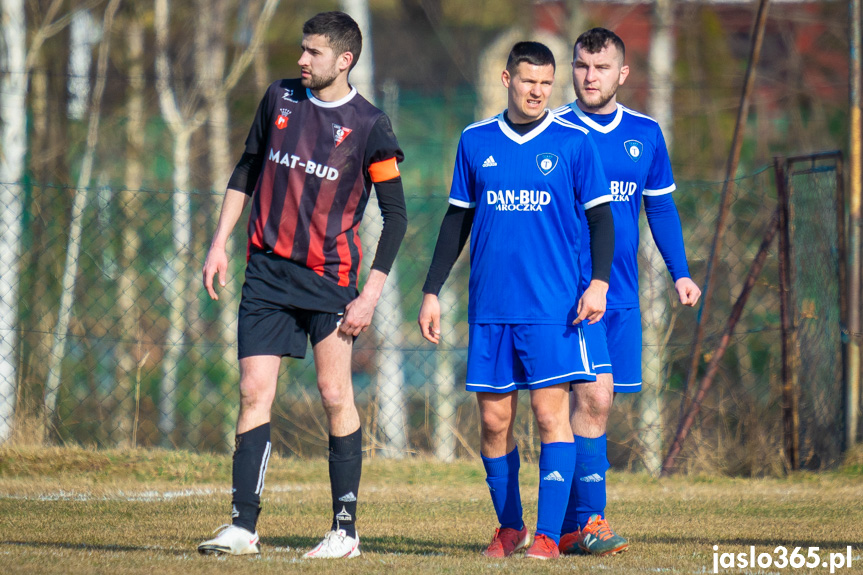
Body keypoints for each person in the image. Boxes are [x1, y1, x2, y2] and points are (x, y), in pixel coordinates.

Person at [197, 11, 407, 559]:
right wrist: (219, 242)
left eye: (312, 52)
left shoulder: (370, 125)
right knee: (251, 393)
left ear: (345, 60)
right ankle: (243, 527)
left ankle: (345, 530)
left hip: (331, 282)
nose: (301, 60)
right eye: (301, 49)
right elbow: (246, 168)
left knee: (335, 395)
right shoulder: (279, 99)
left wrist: (371, 294)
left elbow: (396, 216)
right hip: (266, 273)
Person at [418, 41, 615, 561]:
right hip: (490, 311)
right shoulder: (474, 140)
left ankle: (549, 535)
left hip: (553, 311)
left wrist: (598, 283)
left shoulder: (574, 143)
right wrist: (431, 290)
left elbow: (601, 218)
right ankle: (511, 529)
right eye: (529, 81)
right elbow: (456, 219)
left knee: (552, 417)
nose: (538, 91)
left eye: (547, 83)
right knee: (493, 422)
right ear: (508, 79)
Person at [553, 27, 701, 556]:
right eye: (581, 66)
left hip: (620, 296)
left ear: (622, 73)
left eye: (600, 67)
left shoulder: (645, 133)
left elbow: (659, 207)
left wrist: (679, 271)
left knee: (598, 405)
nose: (589, 77)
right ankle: (586, 522)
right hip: (567, 295)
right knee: (589, 398)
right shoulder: (553, 130)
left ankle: (568, 524)